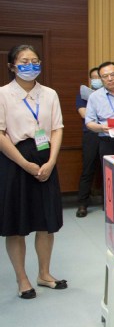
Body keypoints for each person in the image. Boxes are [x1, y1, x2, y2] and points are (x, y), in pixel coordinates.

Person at [0, 45, 66, 299]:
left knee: (46, 223)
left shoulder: (49, 94)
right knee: (16, 224)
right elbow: (1, 134)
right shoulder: (3, 94)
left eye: (35, 60)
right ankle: (22, 279)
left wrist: (51, 161)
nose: (30, 65)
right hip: (14, 159)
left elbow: (57, 129)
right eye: (24, 61)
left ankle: (44, 274)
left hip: (45, 156)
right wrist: (24, 164)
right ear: (12, 66)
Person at [75, 67, 102, 217]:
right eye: (94, 78)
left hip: (107, 135)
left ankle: (109, 203)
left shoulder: (108, 95)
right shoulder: (83, 95)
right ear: (90, 80)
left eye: (99, 77)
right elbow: (84, 114)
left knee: (108, 170)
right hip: (91, 135)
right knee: (88, 169)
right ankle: (82, 204)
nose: (97, 80)